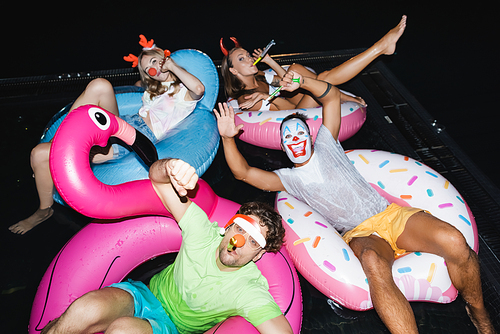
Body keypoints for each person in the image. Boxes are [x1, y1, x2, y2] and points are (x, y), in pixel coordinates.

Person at [214, 67, 496, 333]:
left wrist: (301, 83)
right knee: (373, 261)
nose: (295, 138)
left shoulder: (327, 143)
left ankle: (479, 311)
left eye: (300, 132)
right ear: (284, 148)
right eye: (288, 137)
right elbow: (243, 173)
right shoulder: (287, 178)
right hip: (358, 232)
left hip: (390, 215)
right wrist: (228, 138)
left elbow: (332, 96)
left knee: (455, 242)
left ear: (311, 137)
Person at [40, 158, 292, 334]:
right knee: (84, 309)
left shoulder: (249, 290)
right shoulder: (202, 232)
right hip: (143, 294)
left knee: (122, 331)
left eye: (253, 241)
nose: (239, 242)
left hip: (171, 327)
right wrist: (171, 167)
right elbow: (158, 180)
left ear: (259, 255)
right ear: (229, 226)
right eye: (240, 229)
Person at [9, 35, 205, 235]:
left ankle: (44, 210)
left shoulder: (184, 94)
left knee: (40, 153)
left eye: (155, 62)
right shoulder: (152, 92)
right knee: (100, 85)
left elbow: (199, 89)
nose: (153, 69)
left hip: (134, 137)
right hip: (123, 122)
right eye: (148, 70)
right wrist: (147, 74)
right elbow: (139, 85)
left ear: (165, 58)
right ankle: (59, 140)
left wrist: (170, 65)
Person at [220, 15, 407, 112]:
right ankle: (379, 48)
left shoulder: (261, 77)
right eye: (242, 59)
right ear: (234, 71)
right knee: (322, 79)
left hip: (294, 101)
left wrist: (269, 60)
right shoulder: (246, 99)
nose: (250, 59)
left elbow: (285, 81)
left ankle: (380, 49)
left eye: (247, 55)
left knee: (295, 69)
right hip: (295, 113)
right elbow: (291, 110)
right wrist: (265, 98)